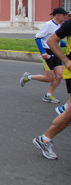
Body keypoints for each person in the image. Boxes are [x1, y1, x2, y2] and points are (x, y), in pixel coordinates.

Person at [32, 17, 71, 159]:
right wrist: (66, 60)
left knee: (68, 114)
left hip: (57, 58)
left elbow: (61, 41)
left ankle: (45, 139)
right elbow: (46, 39)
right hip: (61, 63)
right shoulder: (64, 24)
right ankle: (45, 139)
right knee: (49, 77)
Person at [20, 7, 68, 103]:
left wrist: (66, 45)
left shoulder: (59, 26)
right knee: (49, 78)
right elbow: (38, 37)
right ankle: (28, 77)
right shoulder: (48, 25)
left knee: (59, 75)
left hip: (56, 52)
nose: (65, 17)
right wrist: (43, 52)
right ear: (58, 15)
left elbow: (57, 41)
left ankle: (48, 95)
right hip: (47, 53)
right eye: (64, 15)